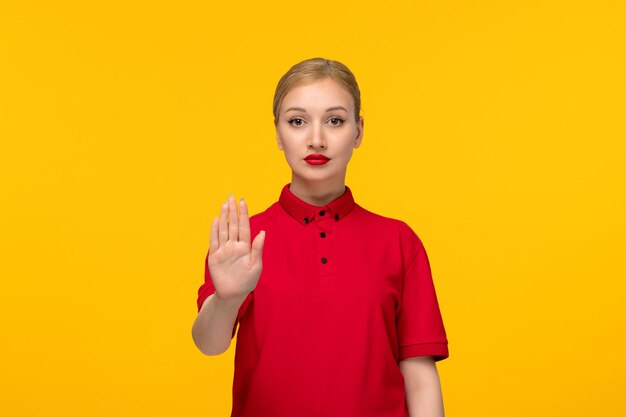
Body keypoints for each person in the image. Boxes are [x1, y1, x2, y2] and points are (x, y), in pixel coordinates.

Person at [191, 57, 449, 417]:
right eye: (297, 121)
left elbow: (420, 376)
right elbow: (209, 344)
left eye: (335, 121)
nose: (316, 139)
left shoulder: (399, 241)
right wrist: (227, 298)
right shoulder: (242, 240)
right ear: (278, 134)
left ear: (358, 132)